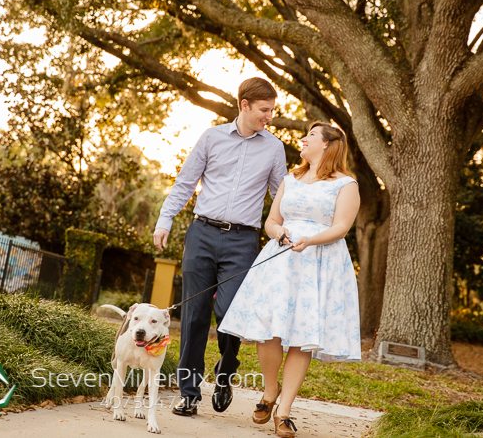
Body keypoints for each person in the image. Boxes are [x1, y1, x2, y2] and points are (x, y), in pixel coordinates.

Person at [153, 77, 287, 417]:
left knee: (230, 314)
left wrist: (291, 231)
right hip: (202, 233)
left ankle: (225, 373)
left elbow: (284, 197)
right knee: (194, 316)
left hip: (243, 240)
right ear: (244, 105)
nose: (269, 116)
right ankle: (189, 393)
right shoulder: (211, 137)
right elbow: (185, 183)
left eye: (272, 110)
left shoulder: (273, 148)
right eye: (264, 110)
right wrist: (164, 220)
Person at [218, 121, 361, 438]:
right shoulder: (290, 179)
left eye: (310, 135)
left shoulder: (346, 184)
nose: (302, 139)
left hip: (319, 262)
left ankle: (284, 412)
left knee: (301, 336)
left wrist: (310, 240)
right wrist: (278, 232)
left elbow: (341, 227)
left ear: (328, 144)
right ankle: (271, 391)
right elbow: (271, 220)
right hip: (280, 261)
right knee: (267, 328)